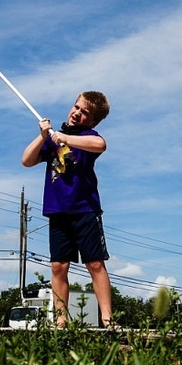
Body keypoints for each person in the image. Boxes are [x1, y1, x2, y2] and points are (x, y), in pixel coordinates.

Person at [21, 91, 113, 328]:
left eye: (85, 113)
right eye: (76, 107)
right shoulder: (52, 139)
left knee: (95, 263)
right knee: (58, 266)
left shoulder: (88, 136)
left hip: (85, 210)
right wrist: (44, 136)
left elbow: (100, 144)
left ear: (93, 121)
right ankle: (61, 320)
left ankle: (107, 319)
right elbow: (27, 160)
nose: (77, 113)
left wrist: (64, 138)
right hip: (57, 211)